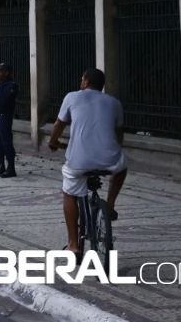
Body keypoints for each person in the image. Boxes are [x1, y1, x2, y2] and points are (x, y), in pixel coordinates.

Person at [47, 68, 127, 256]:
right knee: (121, 168)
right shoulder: (114, 102)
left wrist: (52, 142)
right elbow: (119, 133)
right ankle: (110, 205)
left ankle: (74, 245)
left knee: (69, 193)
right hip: (110, 159)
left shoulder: (72, 97)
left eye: (82, 79)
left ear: (85, 82)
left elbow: (59, 124)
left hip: (79, 161)